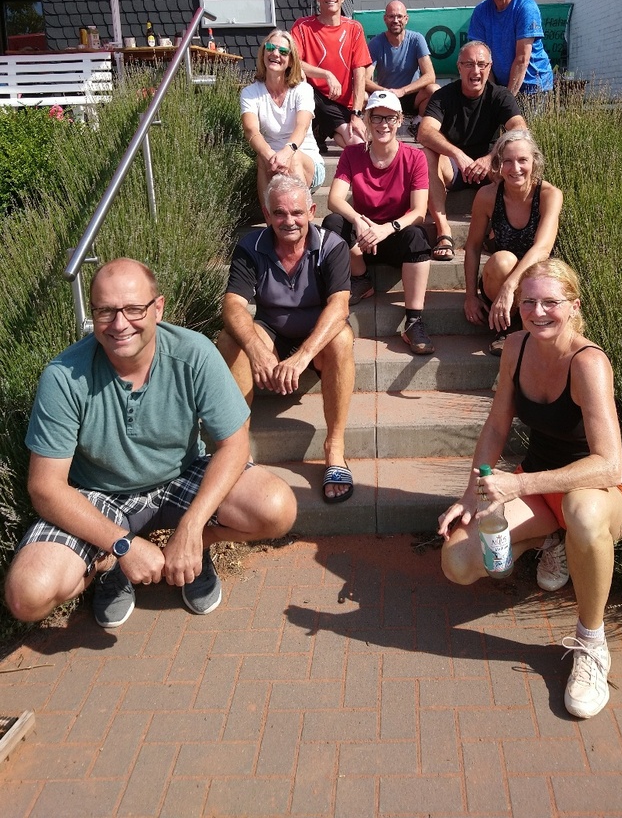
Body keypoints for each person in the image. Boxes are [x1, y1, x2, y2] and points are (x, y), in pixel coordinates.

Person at [4, 258, 297, 630]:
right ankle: (110, 563)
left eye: (133, 309)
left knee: (277, 508)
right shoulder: (63, 377)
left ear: (158, 308)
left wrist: (192, 528)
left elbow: (235, 445)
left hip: (180, 475)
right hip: (99, 493)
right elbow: (44, 487)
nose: (120, 323)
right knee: (26, 595)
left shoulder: (193, 354)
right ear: (92, 314)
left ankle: (192, 551)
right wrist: (121, 545)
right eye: (106, 311)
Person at [438, 260, 622, 719]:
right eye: (528, 301)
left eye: (551, 301)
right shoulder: (516, 345)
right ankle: (557, 540)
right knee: (460, 562)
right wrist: (472, 494)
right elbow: (496, 425)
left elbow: (609, 466)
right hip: (542, 489)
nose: (538, 311)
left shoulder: (588, 362)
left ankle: (591, 643)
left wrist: (519, 484)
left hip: (596, 496)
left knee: (583, 515)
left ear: (573, 306)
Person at [217, 175, 356, 503]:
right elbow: (233, 305)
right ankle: (238, 449)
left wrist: (303, 356)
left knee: (342, 337)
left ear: (311, 210)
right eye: (279, 213)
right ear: (267, 215)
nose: (288, 221)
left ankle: (334, 449)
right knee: (229, 339)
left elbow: (339, 306)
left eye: (296, 212)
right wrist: (256, 350)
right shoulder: (251, 246)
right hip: (271, 332)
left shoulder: (331, 246)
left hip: (315, 339)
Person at [323, 89, 435, 355]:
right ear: (368, 120)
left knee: (418, 236)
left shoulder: (415, 157)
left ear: (399, 120)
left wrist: (387, 228)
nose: (383, 124)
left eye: (390, 118)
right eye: (376, 118)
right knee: (333, 224)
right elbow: (334, 199)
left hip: (394, 236)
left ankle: (414, 321)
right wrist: (359, 220)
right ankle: (361, 278)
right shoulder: (352, 155)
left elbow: (419, 211)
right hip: (364, 237)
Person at [417, 40, 526, 261]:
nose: (475, 71)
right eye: (468, 64)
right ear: (459, 67)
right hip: (454, 167)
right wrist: (457, 154)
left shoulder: (500, 95)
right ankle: (444, 232)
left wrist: (489, 157)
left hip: (489, 168)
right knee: (426, 154)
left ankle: (497, 231)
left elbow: (520, 129)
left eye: (481, 64)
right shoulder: (443, 96)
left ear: (489, 67)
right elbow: (425, 132)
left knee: (514, 156)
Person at [464, 129, 562, 353]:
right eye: (507, 161)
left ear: (534, 162)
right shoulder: (487, 196)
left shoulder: (549, 194)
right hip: (500, 278)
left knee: (544, 273)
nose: (515, 168)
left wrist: (512, 286)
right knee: (502, 260)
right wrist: (470, 296)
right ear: (498, 164)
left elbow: (543, 247)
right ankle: (507, 328)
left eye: (522, 160)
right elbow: (472, 246)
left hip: (537, 277)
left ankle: (531, 329)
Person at [240, 29, 325, 203]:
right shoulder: (250, 93)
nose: (275, 54)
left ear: (291, 60)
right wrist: (271, 156)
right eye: (270, 48)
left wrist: (287, 152)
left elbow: (302, 125)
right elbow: (251, 131)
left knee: (293, 160)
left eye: (283, 51)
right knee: (262, 159)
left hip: (306, 162)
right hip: (272, 162)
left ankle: (302, 221)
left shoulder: (303, 90)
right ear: (263, 52)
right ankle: (270, 225)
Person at [291, 0, 371, 149]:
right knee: (301, 83)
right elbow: (293, 63)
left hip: (340, 103)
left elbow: (360, 72)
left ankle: (320, 131)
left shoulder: (354, 28)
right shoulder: (302, 26)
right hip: (311, 97)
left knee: (358, 144)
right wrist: (326, 74)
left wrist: (356, 114)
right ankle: (317, 130)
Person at [467, 0, 554, 96]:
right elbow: (481, 61)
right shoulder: (480, 12)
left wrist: (506, 101)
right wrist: (493, 95)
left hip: (534, 88)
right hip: (502, 87)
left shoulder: (525, 7)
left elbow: (522, 59)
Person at [365, 0, 439, 126]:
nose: (395, 20)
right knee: (363, 96)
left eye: (399, 16)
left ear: (406, 19)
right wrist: (385, 91)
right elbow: (364, 79)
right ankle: (367, 130)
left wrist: (403, 91)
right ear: (385, 19)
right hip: (386, 98)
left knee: (434, 90)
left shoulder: (417, 39)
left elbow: (430, 76)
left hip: (412, 96)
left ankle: (418, 124)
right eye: (391, 16)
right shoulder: (376, 43)